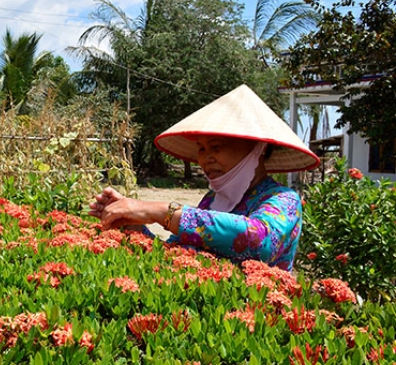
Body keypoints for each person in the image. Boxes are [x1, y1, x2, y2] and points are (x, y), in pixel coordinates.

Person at [89, 85, 320, 271]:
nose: (205, 158)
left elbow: (258, 240)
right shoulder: (212, 200)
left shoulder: (283, 200)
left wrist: (159, 211)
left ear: (256, 149)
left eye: (216, 147)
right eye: (201, 149)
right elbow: (180, 254)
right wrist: (135, 225)